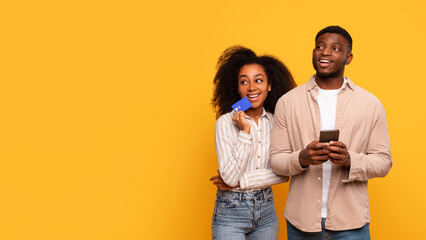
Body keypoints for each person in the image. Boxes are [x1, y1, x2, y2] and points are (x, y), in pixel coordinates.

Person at [270, 26, 393, 239]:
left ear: (348, 57)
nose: (325, 52)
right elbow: (276, 160)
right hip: (302, 222)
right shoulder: (288, 102)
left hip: (351, 223)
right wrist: (302, 158)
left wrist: (349, 160)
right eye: (319, 46)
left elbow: (384, 162)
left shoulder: (370, 104)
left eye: (335, 48)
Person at [210, 46, 296, 239]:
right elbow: (229, 179)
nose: (252, 87)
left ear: (269, 85)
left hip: (266, 211)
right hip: (230, 213)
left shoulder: (277, 122)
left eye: (258, 80)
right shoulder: (224, 122)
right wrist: (245, 132)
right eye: (244, 82)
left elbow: (284, 174)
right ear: (237, 87)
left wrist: (243, 181)